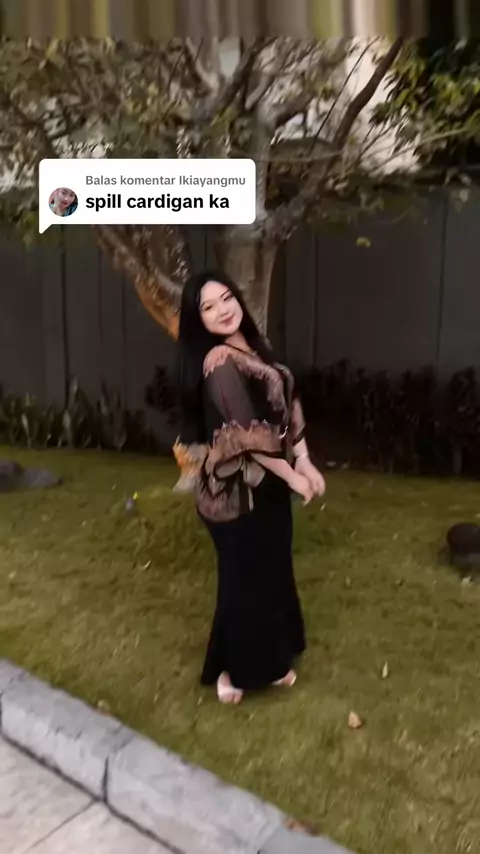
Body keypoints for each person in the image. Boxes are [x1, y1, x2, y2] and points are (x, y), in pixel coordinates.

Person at [177, 270, 325, 705]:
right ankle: (230, 669)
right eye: (209, 307)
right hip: (232, 494)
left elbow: (289, 402)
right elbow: (247, 434)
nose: (223, 310)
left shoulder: (255, 345)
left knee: (272, 571)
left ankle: (273, 661)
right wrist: (293, 476)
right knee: (243, 581)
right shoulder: (218, 362)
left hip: (268, 485)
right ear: (198, 319)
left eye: (227, 298)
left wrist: (304, 458)